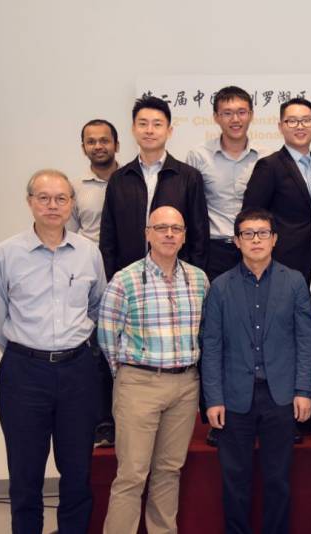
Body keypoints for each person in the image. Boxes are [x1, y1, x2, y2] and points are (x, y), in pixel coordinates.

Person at [0, 169, 107, 534]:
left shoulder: (88, 253)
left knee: (77, 472)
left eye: (60, 198)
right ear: (30, 202)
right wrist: (27, 353)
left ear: (71, 204)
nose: (52, 205)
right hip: (24, 373)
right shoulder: (6, 254)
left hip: (77, 372)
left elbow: (97, 306)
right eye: (44, 198)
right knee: (25, 474)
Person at [201, 208, 311, 534]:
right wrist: (213, 398)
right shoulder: (220, 287)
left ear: (274, 239)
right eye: (248, 234)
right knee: (234, 482)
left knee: (278, 480)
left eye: (263, 233)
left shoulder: (294, 282)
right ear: (237, 241)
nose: (256, 240)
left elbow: (305, 339)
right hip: (233, 398)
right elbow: (212, 346)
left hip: (280, 396)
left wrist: (303, 390)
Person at [97, 206, 209, 534]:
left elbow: (204, 331)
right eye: (161, 228)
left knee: (169, 471)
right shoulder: (125, 279)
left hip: (185, 385)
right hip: (139, 384)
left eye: (176, 229)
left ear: (184, 236)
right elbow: (107, 335)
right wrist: (129, 375)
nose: (169, 234)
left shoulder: (199, 279)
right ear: (148, 234)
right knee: (132, 474)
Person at [99, 95, 208, 280]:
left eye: (157, 124)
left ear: (169, 131)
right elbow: (108, 237)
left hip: (176, 279)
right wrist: (111, 277)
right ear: (133, 129)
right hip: (129, 278)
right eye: (143, 124)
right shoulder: (119, 179)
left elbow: (199, 236)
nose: (149, 130)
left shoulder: (189, 177)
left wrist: (192, 277)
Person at [68, 118, 120, 448]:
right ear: (84, 147)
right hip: (92, 278)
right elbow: (70, 237)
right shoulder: (75, 189)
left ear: (117, 144)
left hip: (128, 273)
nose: (98, 146)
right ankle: (104, 422)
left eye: (104, 140)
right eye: (91, 141)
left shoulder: (134, 179)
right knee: (98, 351)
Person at [242, 97, 311, 283]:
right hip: (283, 262)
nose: (300, 126)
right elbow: (251, 216)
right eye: (292, 121)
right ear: (280, 126)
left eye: (306, 120)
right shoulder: (269, 166)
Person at [186, 86, 268, 281]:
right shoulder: (198, 156)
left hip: (255, 247)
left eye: (241, 112)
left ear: (251, 115)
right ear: (216, 117)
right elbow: (190, 207)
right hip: (214, 250)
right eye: (227, 113)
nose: (235, 119)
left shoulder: (266, 157)